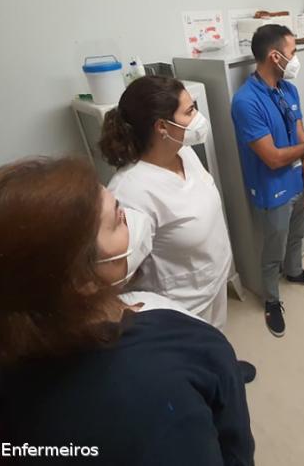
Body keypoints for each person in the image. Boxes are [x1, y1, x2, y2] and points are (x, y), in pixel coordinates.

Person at [0, 157, 255, 465]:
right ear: (81, 280)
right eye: (118, 219)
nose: (130, 217)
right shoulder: (170, 368)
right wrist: (215, 370)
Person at [100, 75, 256, 380]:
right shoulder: (131, 192)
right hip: (183, 303)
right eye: (189, 111)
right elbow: (119, 274)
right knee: (197, 363)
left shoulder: (183, 153)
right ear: (162, 126)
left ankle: (224, 366)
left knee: (217, 341)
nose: (198, 117)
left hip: (213, 280)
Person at [231, 24, 304, 338]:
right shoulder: (246, 102)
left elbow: (301, 138)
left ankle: (295, 272)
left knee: (297, 235)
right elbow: (272, 158)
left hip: (297, 182)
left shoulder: (289, 90)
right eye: (292, 52)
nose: (295, 58)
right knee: (273, 250)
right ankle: (271, 300)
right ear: (275, 56)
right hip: (273, 190)